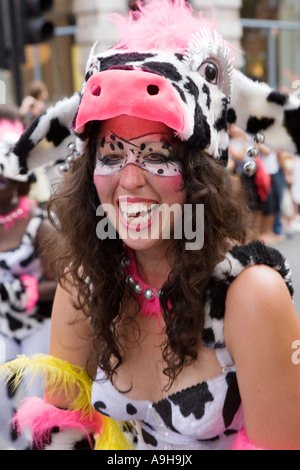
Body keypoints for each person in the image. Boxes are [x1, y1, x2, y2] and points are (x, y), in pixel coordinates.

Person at [1, 0, 300, 451]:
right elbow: (64, 437)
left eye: (158, 155)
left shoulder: (251, 297)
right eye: (113, 154)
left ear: (200, 175)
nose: (131, 180)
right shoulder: (85, 285)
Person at [0, 105, 57, 449]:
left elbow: (69, 284)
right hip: (2, 330)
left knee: (36, 396)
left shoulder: (40, 225)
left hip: (37, 327)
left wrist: (31, 289)